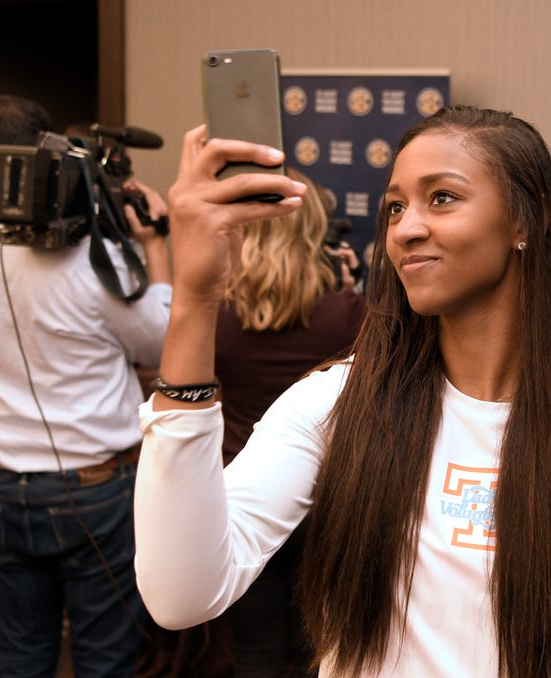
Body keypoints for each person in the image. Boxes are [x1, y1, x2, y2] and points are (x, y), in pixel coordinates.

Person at [134, 106, 551, 677]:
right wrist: (195, 296)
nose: (406, 228)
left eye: (442, 198)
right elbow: (181, 594)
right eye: (395, 207)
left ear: (524, 224)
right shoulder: (336, 403)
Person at [0, 94, 171, 677]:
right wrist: (155, 244)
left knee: (22, 650)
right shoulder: (86, 255)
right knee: (105, 655)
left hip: (2, 486)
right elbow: (163, 346)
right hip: (94, 488)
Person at [215, 167, 365, 676]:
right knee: (315, 651)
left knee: (254, 650)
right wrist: (350, 290)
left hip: (238, 490)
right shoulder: (347, 314)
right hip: (323, 501)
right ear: (313, 231)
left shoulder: (219, 314)